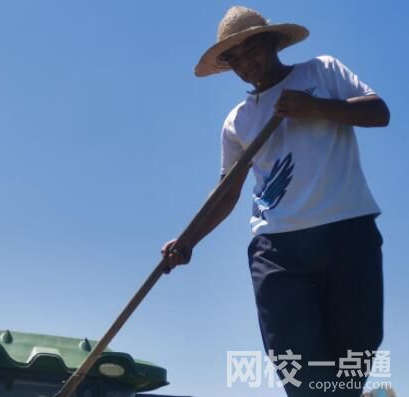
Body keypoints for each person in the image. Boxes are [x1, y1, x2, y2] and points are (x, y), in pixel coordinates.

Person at [161, 6, 389, 397]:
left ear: (271, 42)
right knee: (298, 369)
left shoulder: (321, 72)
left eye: (251, 49)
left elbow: (378, 112)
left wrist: (314, 107)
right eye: (234, 58)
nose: (245, 62)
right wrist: (188, 241)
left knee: (351, 361)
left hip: (347, 233)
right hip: (278, 248)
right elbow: (227, 191)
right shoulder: (238, 121)